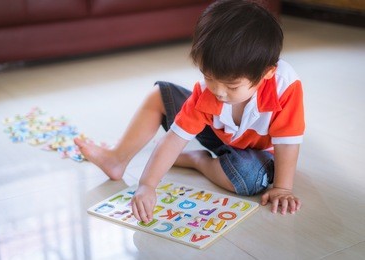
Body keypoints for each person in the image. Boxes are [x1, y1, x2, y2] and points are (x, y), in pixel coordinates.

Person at [74, 0, 305, 223]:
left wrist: (283, 188)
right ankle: (117, 158)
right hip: (217, 134)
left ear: (267, 73)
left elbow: (287, 142)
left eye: (232, 86)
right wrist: (147, 185)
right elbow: (174, 139)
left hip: (256, 151)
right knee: (160, 94)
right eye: (208, 76)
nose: (218, 91)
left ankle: (197, 161)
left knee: (249, 178)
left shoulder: (285, 85)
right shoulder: (208, 92)